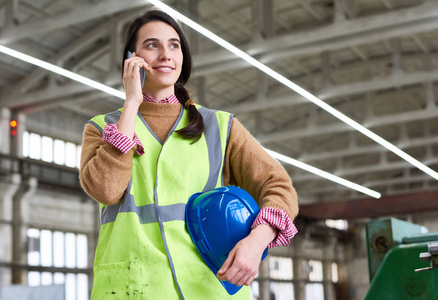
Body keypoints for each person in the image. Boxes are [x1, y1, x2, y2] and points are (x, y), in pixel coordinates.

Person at [80, 9, 299, 299]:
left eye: (174, 45)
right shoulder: (103, 128)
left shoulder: (220, 127)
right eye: (152, 45)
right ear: (132, 58)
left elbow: (279, 186)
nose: (165, 54)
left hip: (208, 289)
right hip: (133, 290)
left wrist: (257, 241)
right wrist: (131, 103)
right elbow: (106, 190)